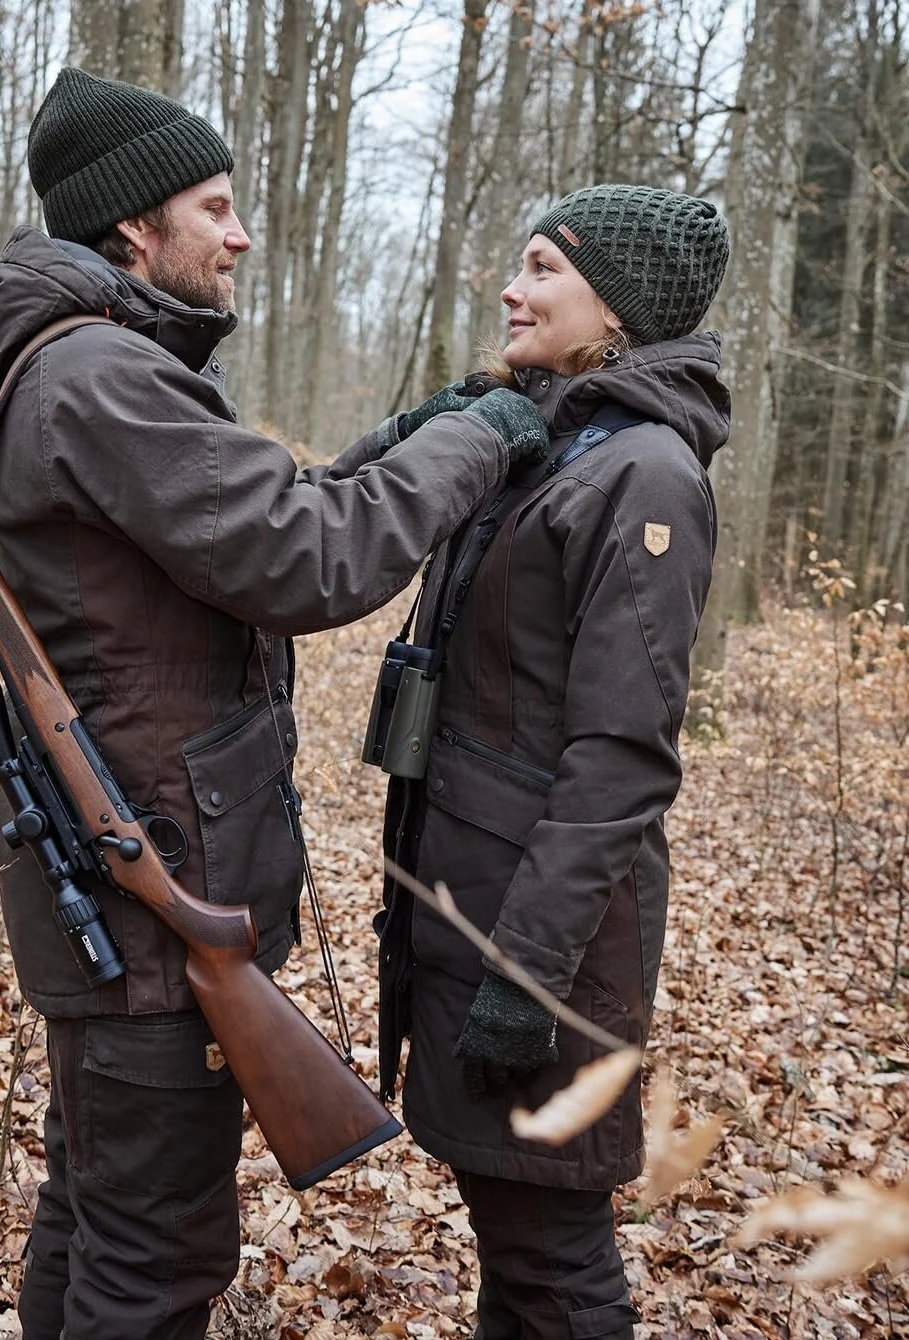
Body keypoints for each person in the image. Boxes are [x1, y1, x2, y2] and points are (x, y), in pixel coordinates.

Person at [0, 66, 551, 1340]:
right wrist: (487, 436)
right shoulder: (102, 377)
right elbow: (306, 560)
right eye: (214, 207)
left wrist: (418, 428)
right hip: (156, 915)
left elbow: (264, 521)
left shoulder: (96, 372)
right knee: (153, 1266)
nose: (238, 235)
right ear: (133, 229)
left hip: (141, 900)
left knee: (99, 1222)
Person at [377, 184, 732, 1340]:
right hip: (477, 912)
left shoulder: (645, 475)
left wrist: (523, 982)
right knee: (516, 1251)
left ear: (616, 314)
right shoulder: (551, 442)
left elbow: (621, 763)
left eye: (541, 269)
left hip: (543, 945)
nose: (509, 288)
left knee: (556, 1263)